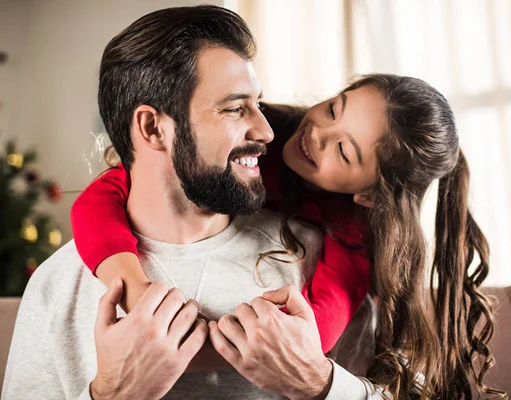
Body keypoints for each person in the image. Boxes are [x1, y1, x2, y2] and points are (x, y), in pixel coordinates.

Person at [69, 24, 503, 400]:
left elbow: (306, 337)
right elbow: (104, 193)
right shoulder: (265, 132)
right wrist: (133, 288)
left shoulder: (354, 235)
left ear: (369, 196)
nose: (315, 134)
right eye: (334, 109)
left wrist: (166, 354)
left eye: (344, 151)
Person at [3, 5, 371, 399]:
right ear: (152, 128)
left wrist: (318, 383)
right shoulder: (59, 285)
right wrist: (112, 395)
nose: (266, 131)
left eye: (258, 104)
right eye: (235, 108)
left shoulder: (312, 260)